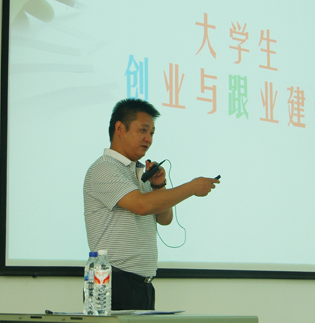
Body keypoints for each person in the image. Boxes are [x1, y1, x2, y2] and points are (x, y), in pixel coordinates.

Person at [83, 98, 220, 311]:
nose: (148, 139)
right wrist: (192, 187)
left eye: (152, 133)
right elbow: (142, 206)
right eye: (143, 130)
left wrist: (158, 186)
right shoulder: (105, 168)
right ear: (119, 128)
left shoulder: (138, 172)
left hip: (142, 285)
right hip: (113, 283)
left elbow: (165, 218)